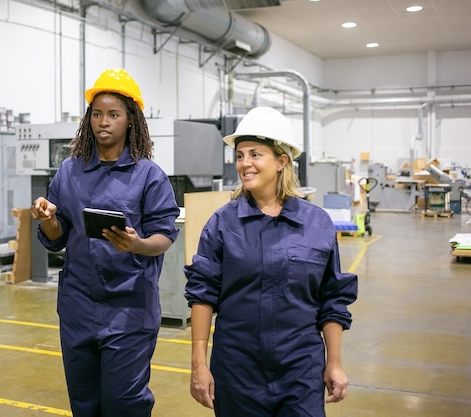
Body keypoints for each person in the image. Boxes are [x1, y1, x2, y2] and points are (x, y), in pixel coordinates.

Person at [184, 106, 358, 417]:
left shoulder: (316, 223)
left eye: (255, 154)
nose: (244, 164)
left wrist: (334, 363)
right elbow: (202, 293)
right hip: (237, 370)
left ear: (281, 161)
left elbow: (332, 298)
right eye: (240, 155)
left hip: (300, 371)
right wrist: (199, 364)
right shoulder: (223, 223)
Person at [30, 68, 180, 417]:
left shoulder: (148, 175)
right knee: (84, 402)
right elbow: (57, 239)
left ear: (131, 120)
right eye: (97, 114)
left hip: (129, 307)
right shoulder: (69, 171)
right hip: (78, 304)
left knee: (123, 403)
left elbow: (164, 236)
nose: (103, 122)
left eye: (114, 115)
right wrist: (50, 218)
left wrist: (137, 245)